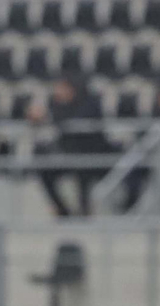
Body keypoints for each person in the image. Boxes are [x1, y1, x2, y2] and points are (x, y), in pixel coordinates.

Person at [29, 73, 110, 216]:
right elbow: (53, 121)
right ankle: (62, 210)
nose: (59, 91)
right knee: (44, 168)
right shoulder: (56, 103)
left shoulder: (91, 101)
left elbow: (81, 121)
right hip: (67, 153)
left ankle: (84, 212)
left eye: (63, 88)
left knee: (83, 172)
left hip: (91, 153)